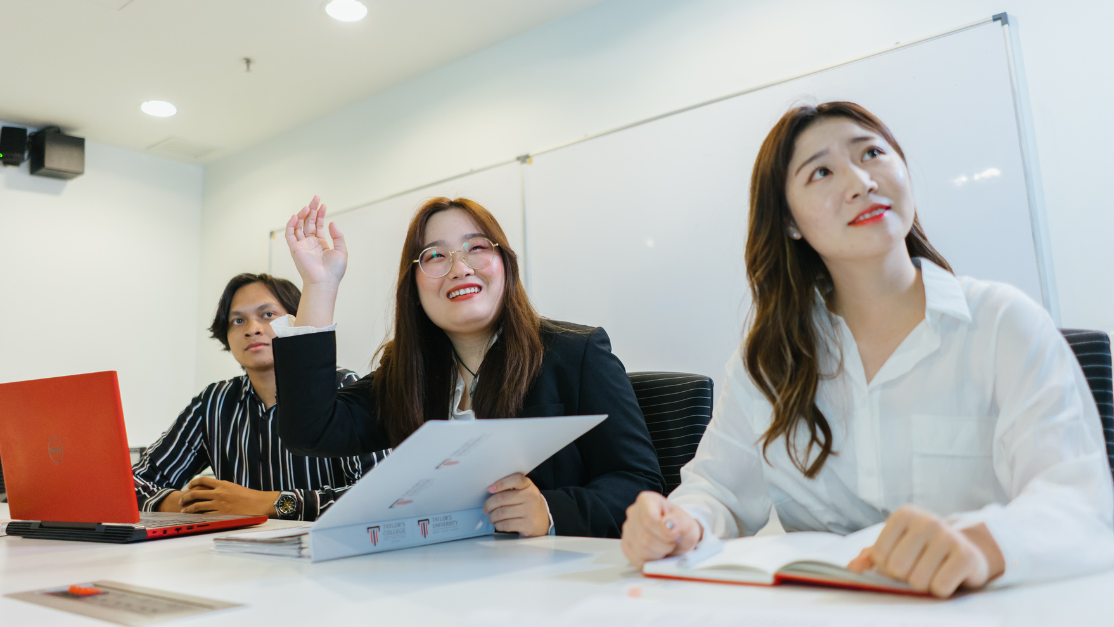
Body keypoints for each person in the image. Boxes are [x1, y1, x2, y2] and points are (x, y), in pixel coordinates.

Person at [620, 102, 1114, 597]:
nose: (860, 182)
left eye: (872, 153)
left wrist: (984, 544)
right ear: (790, 221)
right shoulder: (770, 360)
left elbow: (1080, 501)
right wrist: (677, 523)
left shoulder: (1003, 322)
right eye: (821, 172)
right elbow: (717, 490)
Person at [270, 195, 664, 538]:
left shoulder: (576, 353)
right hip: (439, 572)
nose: (459, 268)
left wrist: (549, 511)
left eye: (476, 248)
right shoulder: (405, 372)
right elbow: (310, 432)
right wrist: (320, 286)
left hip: (554, 576)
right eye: (435, 256)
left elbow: (640, 483)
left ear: (505, 264)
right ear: (414, 286)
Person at [133, 273, 385, 521]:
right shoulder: (213, 402)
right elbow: (134, 482)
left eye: (267, 315)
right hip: (235, 546)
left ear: (296, 322)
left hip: (324, 544)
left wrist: (270, 503)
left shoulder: (343, 387)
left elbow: (381, 494)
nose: (252, 330)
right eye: (238, 321)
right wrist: (196, 503)